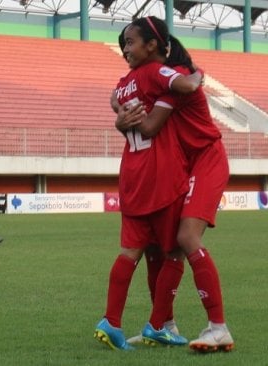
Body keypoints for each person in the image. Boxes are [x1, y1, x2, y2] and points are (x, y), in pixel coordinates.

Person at [116, 16, 234, 353]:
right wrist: (119, 118)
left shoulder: (174, 80)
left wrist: (195, 77)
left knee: (184, 238)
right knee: (159, 246)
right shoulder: (161, 83)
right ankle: (161, 325)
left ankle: (218, 326)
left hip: (206, 159)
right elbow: (125, 103)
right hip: (182, 165)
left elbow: (151, 126)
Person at [93, 22, 204, 351]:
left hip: (131, 176)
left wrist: (120, 113)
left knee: (131, 252)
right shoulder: (156, 72)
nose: (125, 49)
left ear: (149, 44)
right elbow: (183, 85)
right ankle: (158, 325)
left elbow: (114, 99)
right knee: (174, 250)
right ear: (155, 46)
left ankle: (111, 321)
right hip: (160, 176)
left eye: (129, 43)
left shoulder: (125, 84)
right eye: (126, 43)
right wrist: (197, 76)